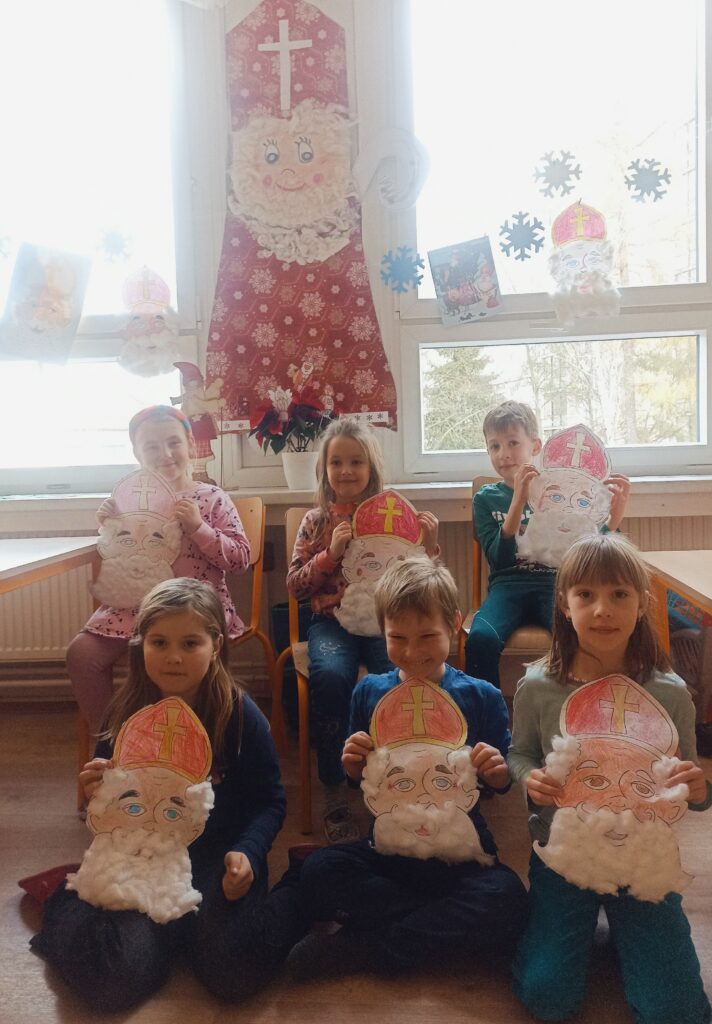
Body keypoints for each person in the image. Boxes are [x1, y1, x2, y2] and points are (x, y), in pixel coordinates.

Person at [32, 578, 307, 1012]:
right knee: (112, 986)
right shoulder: (124, 713)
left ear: (215, 646)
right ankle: (67, 900)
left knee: (233, 974)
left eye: (190, 643)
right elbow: (107, 805)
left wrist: (248, 853)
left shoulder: (239, 714)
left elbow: (270, 802)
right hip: (146, 858)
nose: (173, 656)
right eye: (159, 642)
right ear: (140, 645)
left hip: (220, 857)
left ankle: (300, 886)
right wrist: (96, 792)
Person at [288, 557, 529, 978]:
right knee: (319, 870)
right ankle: (429, 929)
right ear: (381, 631)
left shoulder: (483, 696)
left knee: (508, 899)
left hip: (460, 850)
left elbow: (499, 782)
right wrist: (353, 766)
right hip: (389, 846)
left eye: (427, 636)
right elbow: (361, 781)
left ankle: (365, 944)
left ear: (454, 624)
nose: (413, 652)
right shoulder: (369, 692)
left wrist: (496, 772)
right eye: (397, 638)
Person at [508, 533, 711, 1023]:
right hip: (563, 851)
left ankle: (627, 927)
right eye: (586, 595)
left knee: (676, 1011)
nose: (603, 610)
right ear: (565, 603)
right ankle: (595, 926)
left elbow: (691, 789)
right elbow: (520, 753)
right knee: (547, 997)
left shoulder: (671, 693)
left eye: (619, 594)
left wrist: (699, 789)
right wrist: (530, 778)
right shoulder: (537, 686)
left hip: (641, 857)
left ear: (641, 603)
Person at [286, 418, 440, 843]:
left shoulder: (394, 518)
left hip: (384, 623)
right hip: (331, 623)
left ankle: (396, 778)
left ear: (371, 467)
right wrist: (330, 554)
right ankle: (335, 788)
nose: (346, 470)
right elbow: (295, 587)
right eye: (337, 462)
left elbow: (421, 583)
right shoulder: (315, 521)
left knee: (397, 680)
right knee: (331, 677)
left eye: (356, 461)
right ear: (324, 469)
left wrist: (429, 545)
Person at [67, 405, 250, 737]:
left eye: (173, 442)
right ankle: (115, 742)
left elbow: (240, 559)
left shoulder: (212, 498)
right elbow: (120, 558)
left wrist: (199, 528)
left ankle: (192, 743)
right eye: (151, 446)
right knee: (82, 654)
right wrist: (110, 527)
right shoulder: (129, 499)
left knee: (170, 661)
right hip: (133, 608)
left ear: (191, 445)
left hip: (193, 610)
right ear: (137, 454)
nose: (165, 454)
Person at [464, 400, 629, 688]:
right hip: (507, 586)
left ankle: (569, 705)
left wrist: (614, 518)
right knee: (481, 638)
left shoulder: (560, 491)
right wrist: (518, 501)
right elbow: (500, 560)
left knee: (577, 635)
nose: (504, 454)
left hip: (558, 584)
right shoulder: (486, 499)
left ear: (536, 446)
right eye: (494, 446)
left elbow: (592, 549)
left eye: (513, 443)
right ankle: (485, 711)